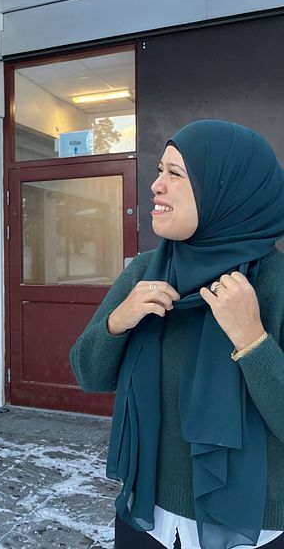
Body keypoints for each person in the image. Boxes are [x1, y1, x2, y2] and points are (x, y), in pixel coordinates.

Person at [70, 120, 284, 549]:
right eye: (158, 170)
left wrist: (253, 340)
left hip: (252, 528)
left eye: (175, 174)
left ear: (227, 191)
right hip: (146, 514)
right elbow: (89, 374)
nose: (156, 186)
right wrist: (120, 319)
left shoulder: (276, 285)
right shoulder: (144, 272)